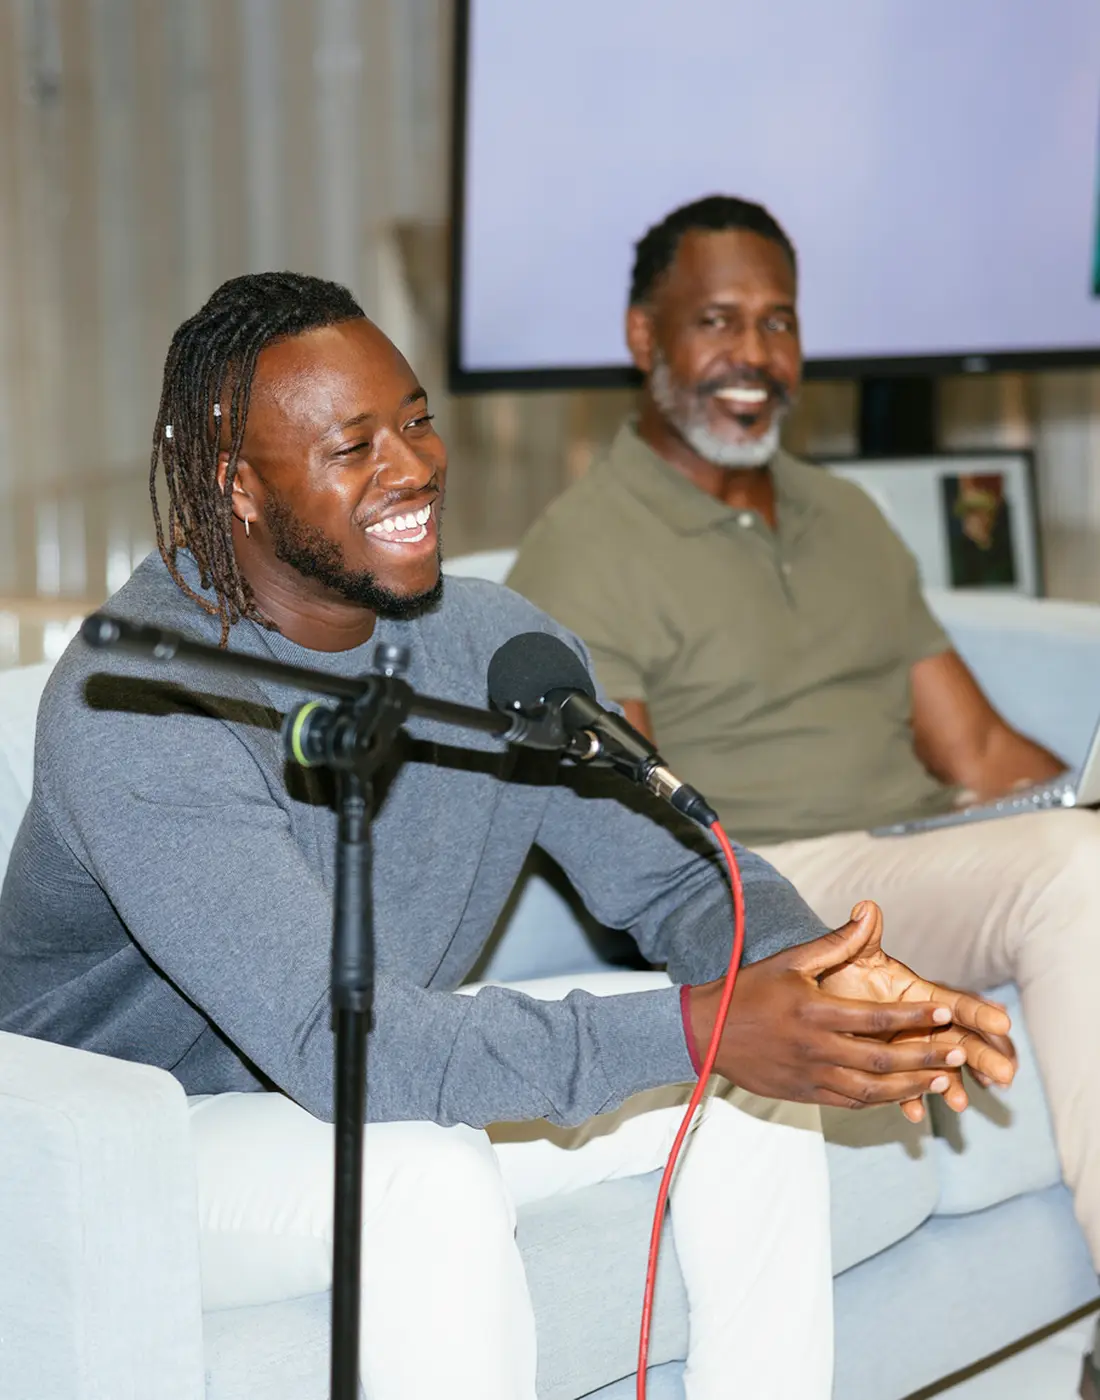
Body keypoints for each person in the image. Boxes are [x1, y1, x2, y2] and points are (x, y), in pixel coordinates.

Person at [0, 273, 1013, 1400]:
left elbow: (681, 885)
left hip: (340, 1074)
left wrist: (816, 978)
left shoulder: (492, 649)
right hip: (123, 1147)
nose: (415, 466)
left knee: (751, 1094)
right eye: (354, 446)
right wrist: (697, 1025)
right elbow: (347, 1049)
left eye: (418, 420)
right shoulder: (140, 699)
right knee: (423, 1164)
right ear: (237, 485)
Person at [506, 194, 1100, 1389]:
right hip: (775, 878)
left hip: (921, 850)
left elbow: (979, 752)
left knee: (1073, 845)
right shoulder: (580, 547)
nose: (754, 356)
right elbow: (638, 831)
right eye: (715, 321)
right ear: (642, 338)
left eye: (775, 322)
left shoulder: (848, 517)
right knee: (1071, 873)